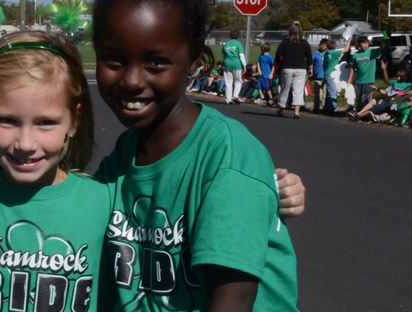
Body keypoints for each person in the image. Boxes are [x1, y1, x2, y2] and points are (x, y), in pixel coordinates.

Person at [92, 0, 298, 310]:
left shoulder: (226, 155)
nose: (131, 80)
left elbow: (234, 301)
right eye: (113, 59)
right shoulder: (125, 151)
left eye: (156, 62)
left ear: (193, 61)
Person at [0, 30, 111, 311]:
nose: (25, 144)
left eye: (46, 123)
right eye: (7, 120)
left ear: (75, 120)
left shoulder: (106, 204)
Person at [274, 21, 311, 119]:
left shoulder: (285, 42)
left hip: (287, 67)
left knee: (285, 88)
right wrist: (309, 67)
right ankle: (296, 112)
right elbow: (309, 57)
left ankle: (281, 108)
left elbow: (278, 55)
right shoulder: (305, 43)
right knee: (298, 90)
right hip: (300, 68)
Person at [345, 35, 387, 112]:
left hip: (368, 80)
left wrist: (385, 39)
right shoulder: (355, 55)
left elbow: (381, 48)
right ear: (359, 44)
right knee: (358, 98)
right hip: (358, 80)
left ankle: (365, 112)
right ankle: (358, 111)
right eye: (363, 43)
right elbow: (352, 68)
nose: (365, 45)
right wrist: (350, 78)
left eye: (366, 43)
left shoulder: (372, 52)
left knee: (366, 98)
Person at [223, 29, 246, 105]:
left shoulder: (226, 44)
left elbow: (223, 55)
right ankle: (235, 96)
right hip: (237, 64)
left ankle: (228, 99)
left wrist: (226, 61)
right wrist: (244, 65)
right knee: (238, 81)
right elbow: (241, 55)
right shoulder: (238, 44)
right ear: (238, 36)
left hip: (227, 64)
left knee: (228, 82)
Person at [323, 39, 342, 114]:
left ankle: (327, 108)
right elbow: (346, 50)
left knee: (329, 91)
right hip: (332, 74)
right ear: (335, 46)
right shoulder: (334, 53)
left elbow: (324, 65)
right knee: (333, 92)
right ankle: (332, 108)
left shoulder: (326, 53)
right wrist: (350, 40)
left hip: (327, 73)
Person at [310, 38, 327, 113]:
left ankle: (323, 106)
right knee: (318, 93)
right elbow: (311, 64)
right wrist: (311, 72)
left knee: (324, 93)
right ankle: (317, 107)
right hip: (318, 75)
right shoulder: (315, 54)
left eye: (324, 45)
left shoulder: (329, 53)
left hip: (326, 76)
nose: (322, 47)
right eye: (321, 45)